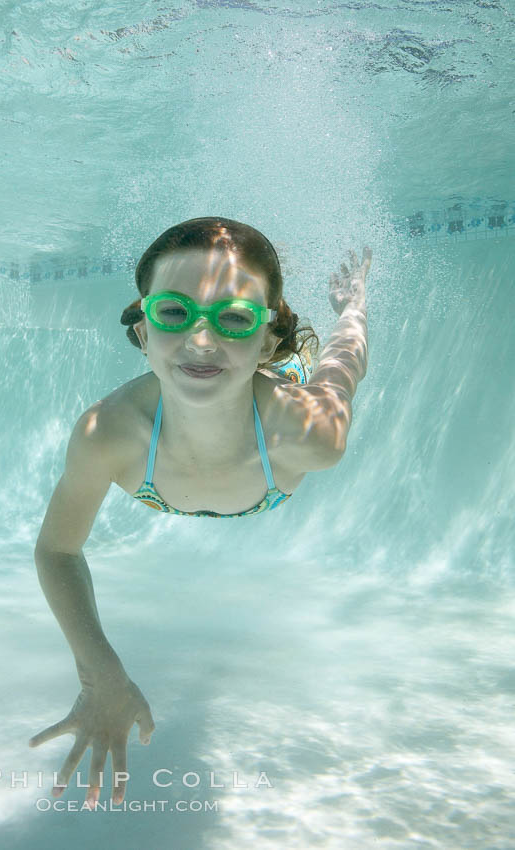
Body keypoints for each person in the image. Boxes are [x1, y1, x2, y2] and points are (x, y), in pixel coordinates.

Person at [30, 216, 372, 809]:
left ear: (267, 339)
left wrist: (352, 312)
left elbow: (341, 375)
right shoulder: (106, 432)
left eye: (235, 318)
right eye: (173, 313)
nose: (201, 341)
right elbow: (57, 549)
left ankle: (285, 298)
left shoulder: (309, 435)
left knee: (314, 359)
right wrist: (99, 671)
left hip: (277, 396)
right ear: (142, 329)